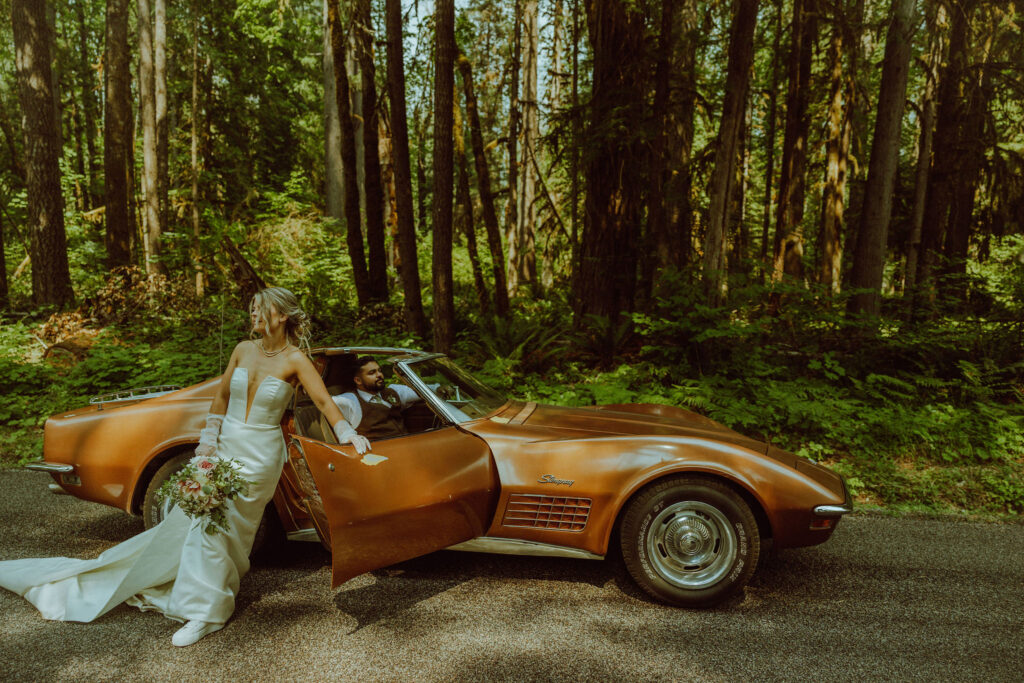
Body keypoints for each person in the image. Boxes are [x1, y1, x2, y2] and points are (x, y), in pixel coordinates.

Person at [0, 287, 370, 647]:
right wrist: (207, 446)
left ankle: (206, 612)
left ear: (282, 315)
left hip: (261, 455)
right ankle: (204, 604)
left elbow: (324, 402)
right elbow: (221, 398)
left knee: (222, 528)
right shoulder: (243, 350)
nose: (252, 314)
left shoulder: (296, 360)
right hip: (225, 446)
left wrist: (349, 434)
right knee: (200, 522)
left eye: (259, 308)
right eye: (251, 308)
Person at [331, 356, 424, 439]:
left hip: (408, 445)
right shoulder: (350, 401)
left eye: (379, 370)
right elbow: (324, 403)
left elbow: (427, 391)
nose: (379, 375)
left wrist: (438, 389)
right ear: (358, 380)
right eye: (372, 373)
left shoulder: (393, 391)